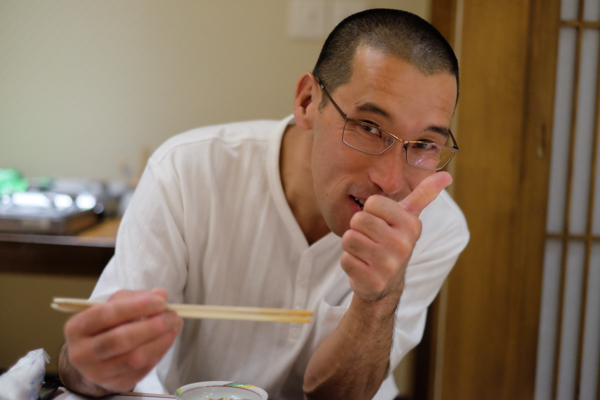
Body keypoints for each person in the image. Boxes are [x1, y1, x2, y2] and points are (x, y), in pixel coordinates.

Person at [58, 8, 469, 400]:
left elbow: (337, 396)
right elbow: (89, 368)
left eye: (425, 145)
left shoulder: (436, 225)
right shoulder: (187, 171)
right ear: (308, 101)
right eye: (367, 127)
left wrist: (378, 297)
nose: (392, 181)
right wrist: (91, 365)